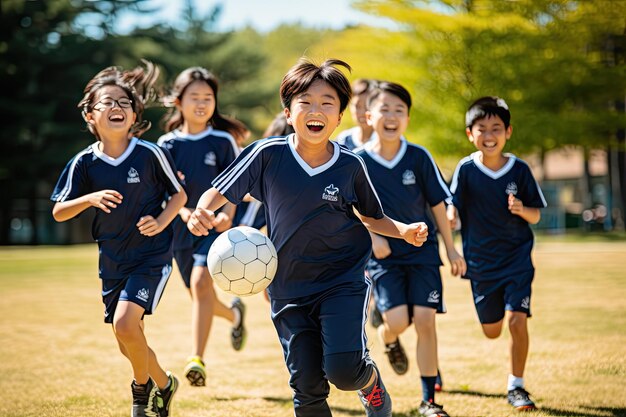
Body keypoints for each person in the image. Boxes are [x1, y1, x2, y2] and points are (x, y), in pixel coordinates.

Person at [187, 58, 429, 417]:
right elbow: (218, 191)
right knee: (307, 386)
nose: (316, 110)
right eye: (306, 102)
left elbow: (372, 216)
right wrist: (202, 212)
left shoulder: (351, 165)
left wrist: (404, 230)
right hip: (288, 287)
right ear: (288, 112)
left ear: (339, 117)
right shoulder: (267, 154)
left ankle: (369, 382)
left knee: (343, 371)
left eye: (327, 103)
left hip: (341, 281)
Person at [50, 61, 185, 417]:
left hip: (151, 256)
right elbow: (59, 211)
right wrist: (89, 199)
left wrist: (161, 220)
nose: (116, 107)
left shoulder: (150, 153)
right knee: (128, 339)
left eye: (124, 103)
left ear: (134, 114)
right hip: (111, 260)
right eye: (106, 102)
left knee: (127, 324)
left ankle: (140, 393)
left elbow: (179, 196)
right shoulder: (84, 164)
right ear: (90, 117)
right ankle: (163, 383)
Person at [356, 81, 466, 417]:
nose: (391, 116)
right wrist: (374, 238)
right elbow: (352, 208)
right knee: (398, 321)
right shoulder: (357, 160)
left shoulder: (419, 156)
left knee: (425, 321)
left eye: (399, 110)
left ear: (407, 118)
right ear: (369, 116)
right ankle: (388, 337)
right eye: (384, 109)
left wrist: (451, 249)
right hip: (384, 257)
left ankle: (429, 401)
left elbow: (437, 205)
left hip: (423, 252)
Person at [447, 96, 547, 411]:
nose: (489, 136)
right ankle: (495, 322)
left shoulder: (519, 168)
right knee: (492, 332)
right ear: (469, 134)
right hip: (480, 264)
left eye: (496, 128)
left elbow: (536, 216)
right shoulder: (465, 169)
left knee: (518, 320)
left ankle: (516, 386)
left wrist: (521, 209)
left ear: (508, 132)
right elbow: (453, 207)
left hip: (517, 259)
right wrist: (451, 217)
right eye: (482, 129)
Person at [157, 66, 248, 387]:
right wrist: (185, 215)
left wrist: (228, 216)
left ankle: (197, 359)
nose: (201, 103)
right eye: (194, 97)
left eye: (208, 97)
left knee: (200, 284)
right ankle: (235, 316)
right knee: (201, 296)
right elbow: (166, 194)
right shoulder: (166, 145)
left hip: (215, 231)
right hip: (181, 234)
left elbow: (237, 183)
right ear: (178, 102)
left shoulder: (223, 141)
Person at [335, 78, 377, 150]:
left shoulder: (384, 141)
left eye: (368, 106)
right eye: (357, 106)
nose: (363, 112)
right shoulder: (343, 139)